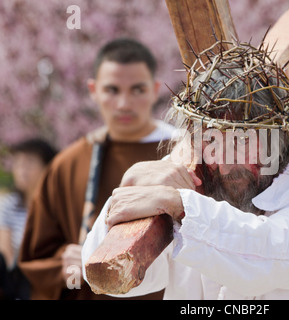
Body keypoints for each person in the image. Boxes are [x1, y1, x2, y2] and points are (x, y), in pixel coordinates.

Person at [82, 40, 289, 300]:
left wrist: (180, 206)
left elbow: (268, 253)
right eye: (216, 143)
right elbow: (109, 275)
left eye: (246, 143)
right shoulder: (193, 168)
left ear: (281, 139)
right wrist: (131, 192)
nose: (229, 163)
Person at [18, 38, 175, 300]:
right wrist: (65, 263)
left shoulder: (184, 153)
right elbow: (37, 257)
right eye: (112, 90)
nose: (124, 103)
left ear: (155, 89)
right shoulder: (70, 163)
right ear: (93, 90)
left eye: (137, 89)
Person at [0, 138, 56, 299]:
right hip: (17, 279)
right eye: (18, 164)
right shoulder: (9, 204)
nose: (21, 170)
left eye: (29, 164)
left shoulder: (57, 206)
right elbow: (6, 254)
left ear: (47, 168)